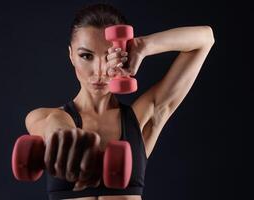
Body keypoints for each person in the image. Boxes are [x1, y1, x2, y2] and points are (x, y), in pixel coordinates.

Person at [25, 3, 215, 200]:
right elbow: (51, 125)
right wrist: (62, 133)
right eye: (86, 56)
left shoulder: (140, 119)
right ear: (71, 55)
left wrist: (142, 45)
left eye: (108, 56)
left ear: (122, 55)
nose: (99, 71)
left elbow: (205, 39)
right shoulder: (47, 116)